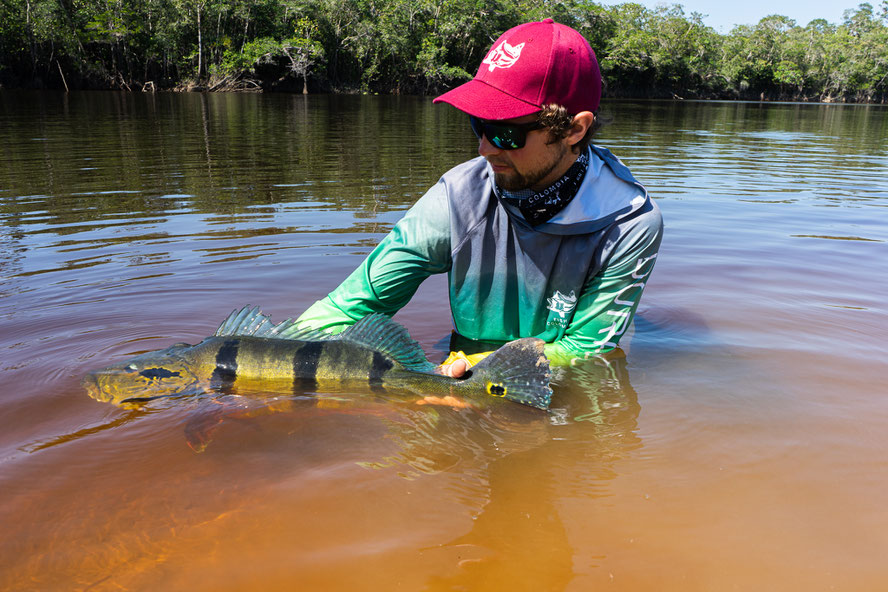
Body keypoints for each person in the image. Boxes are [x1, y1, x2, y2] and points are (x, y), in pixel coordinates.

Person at [295, 18, 663, 378]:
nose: (484, 148)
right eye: (478, 124)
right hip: (468, 368)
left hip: (546, 380)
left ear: (573, 129)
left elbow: (585, 349)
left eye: (504, 132)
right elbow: (351, 307)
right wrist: (270, 360)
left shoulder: (628, 224)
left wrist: (480, 368)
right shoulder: (459, 197)